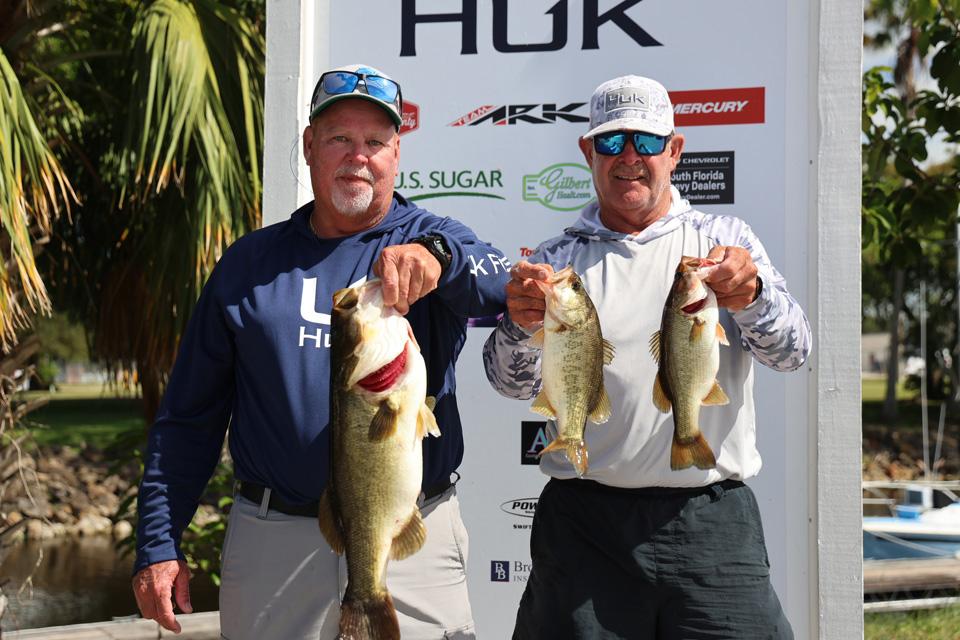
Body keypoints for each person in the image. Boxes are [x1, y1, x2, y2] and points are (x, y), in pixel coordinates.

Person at [131, 63, 508, 639]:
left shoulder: (433, 237)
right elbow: (189, 417)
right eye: (339, 139)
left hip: (410, 539)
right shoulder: (249, 265)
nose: (358, 156)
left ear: (396, 153)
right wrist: (159, 539)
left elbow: (499, 285)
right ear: (309, 146)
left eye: (375, 142)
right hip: (273, 544)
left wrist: (439, 256)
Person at [483, 74, 812, 639]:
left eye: (648, 142)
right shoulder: (556, 260)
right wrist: (519, 324)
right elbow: (509, 384)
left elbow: (793, 352)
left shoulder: (723, 241)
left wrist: (751, 296)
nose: (630, 157)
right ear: (588, 152)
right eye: (611, 142)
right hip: (584, 527)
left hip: (711, 521)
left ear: (675, 151)